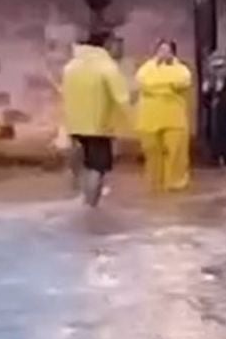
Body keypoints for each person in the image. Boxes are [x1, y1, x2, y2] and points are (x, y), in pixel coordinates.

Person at [61, 30, 130, 207]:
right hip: (99, 126)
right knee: (97, 167)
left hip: (74, 125)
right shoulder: (107, 67)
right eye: (116, 43)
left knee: (83, 163)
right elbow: (122, 99)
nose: (119, 48)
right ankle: (91, 206)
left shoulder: (71, 66)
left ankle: (83, 198)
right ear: (106, 44)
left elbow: (65, 94)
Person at [135, 40, 194, 192]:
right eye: (161, 49)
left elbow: (182, 83)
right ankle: (155, 184)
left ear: (173, 53)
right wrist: (167, 88)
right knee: (152, 151)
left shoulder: (182, 69)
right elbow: (143, 82)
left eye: (167, 50)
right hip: (150, 119)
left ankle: (175, 183)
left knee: (176, 153)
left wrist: (157, 87)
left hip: (174, 118)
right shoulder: (146, 68)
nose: (163, 53)